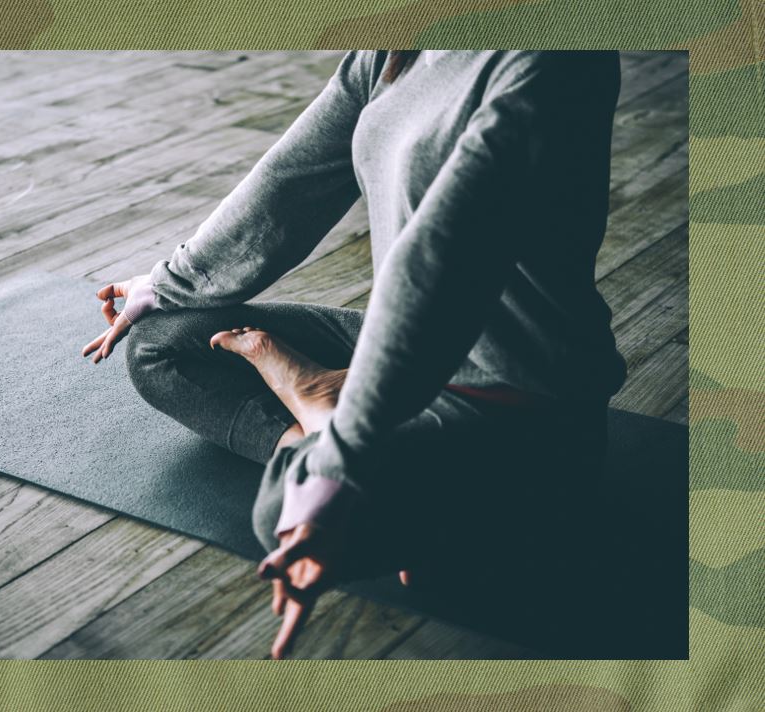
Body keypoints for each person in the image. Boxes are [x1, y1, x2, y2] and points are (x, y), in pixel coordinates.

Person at [82, 50, 627, 659]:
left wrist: (337, 472)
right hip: (393, 344)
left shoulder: (551, 61)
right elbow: (288, 184)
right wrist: (162, 285)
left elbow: (440, 263)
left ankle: (327, 420)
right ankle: (321, 425)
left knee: (278, 517)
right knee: (161, 345)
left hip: (519, 402)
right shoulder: (394, 48)